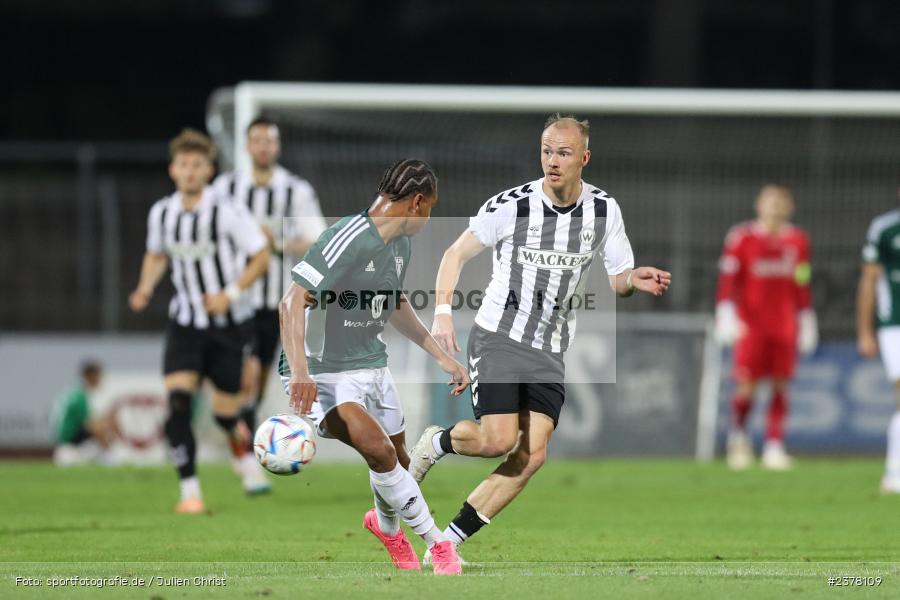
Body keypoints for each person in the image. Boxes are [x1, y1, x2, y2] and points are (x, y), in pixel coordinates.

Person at [407, 115, 671, 562]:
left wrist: (633, 279)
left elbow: (617, 280)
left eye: (564, 153)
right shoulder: (512, 206)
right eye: (547, 150)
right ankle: (437, 442)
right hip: (499, 337)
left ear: (584, 158)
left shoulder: (604, 210)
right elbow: (454, 254)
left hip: (551, 348)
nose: (553, 160)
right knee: (496, 440)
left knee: (531, 456)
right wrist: (444, 313)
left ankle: (447, 543)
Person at [279, 159, 468, 575]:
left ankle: (385, 527)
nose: (430, 216)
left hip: (372, 365)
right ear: (418, 203)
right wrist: (299, 373)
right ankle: (439, 545)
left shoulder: (399, 242)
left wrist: (441, 355)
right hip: (323, 374)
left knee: (397, 460)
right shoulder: (346, 237)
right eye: (432, 207)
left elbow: (393, 303)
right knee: (379, 451)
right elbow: (291, 302)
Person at [129, 128, 272, 512]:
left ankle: (242, 453)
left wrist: (230, 293)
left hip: (229, 325)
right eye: (183, 164)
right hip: (185, 325)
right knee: (177, 404)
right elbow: (157, 253)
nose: (190, 171)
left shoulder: (226, 211)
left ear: (209, 170)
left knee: (225, 416)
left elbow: (261, 255)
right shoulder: (162, 212)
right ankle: (190, 491)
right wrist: (144, 287)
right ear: (172, 170)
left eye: (197, 165)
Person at [213, 117, 326, 467]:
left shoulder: (296, 189)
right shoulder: (225, 187)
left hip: (277, 300)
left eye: (269, 141)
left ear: (276, 147)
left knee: (257, 378)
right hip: (235, 297)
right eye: (257, 140)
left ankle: (243, 436)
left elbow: (317, 239)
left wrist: (275, 241)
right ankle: (241, 438)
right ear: (247, 146)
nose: (263, 147)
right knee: (241, 374)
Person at [715, 185, 817, 471]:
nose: (775, 208)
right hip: (751, 325)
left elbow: (802, 279)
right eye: (770, 202)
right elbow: (729, 279)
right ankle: (739, 439)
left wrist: (806, 316)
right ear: (759, 205)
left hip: (784, 325)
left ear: (789, 207)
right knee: (747, 385)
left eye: (781, 203)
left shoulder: (798, 240)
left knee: (780, 385)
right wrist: (726, 312)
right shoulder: (741, 238)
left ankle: (774, 445)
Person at [857, 192, 900, 493]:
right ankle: (894, 471)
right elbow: (869, 280)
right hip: (894, 325)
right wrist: (864, 330)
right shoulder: (885, 229)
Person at [51, 361, 117, 465]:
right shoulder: (79, 397)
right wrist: (108, 448)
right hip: (71, 450)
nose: (100, 380)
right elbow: (92, 427)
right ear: (90, 376)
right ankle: (109, 460)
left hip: (68, 446)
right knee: (101, 438)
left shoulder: (75, 393)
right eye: (98, 376)